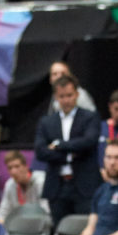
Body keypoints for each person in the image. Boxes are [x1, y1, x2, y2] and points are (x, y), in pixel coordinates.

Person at [34, 75, 101, 227]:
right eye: (62, 96)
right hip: (57, 187)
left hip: (84, 186)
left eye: (69, 95)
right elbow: (40, 151)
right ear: (56, 97)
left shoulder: (89, 117)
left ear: (77, 94)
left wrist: (58, 145)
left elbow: (89, 142)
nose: (66, 100)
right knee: (61, 230)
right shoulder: (47, 122)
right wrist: (70, 155)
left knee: (85, 229)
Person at [0, 150, 47, 225]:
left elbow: (46, 212)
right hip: (19, 228)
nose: (13, 172)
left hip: (39, 226)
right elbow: (2, 213)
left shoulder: (41, 181)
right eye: (10, 168)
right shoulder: (10, 184)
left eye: (17, 166)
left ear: (26, 166)